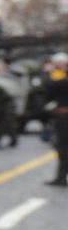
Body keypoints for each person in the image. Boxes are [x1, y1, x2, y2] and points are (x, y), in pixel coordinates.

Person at [42, 52, 68, 186]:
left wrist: (47, 72)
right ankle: (61, 177)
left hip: (64, 116)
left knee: (63, 147)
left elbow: (50, 87)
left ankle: (61, 177)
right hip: (62, 115)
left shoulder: (62, 79)